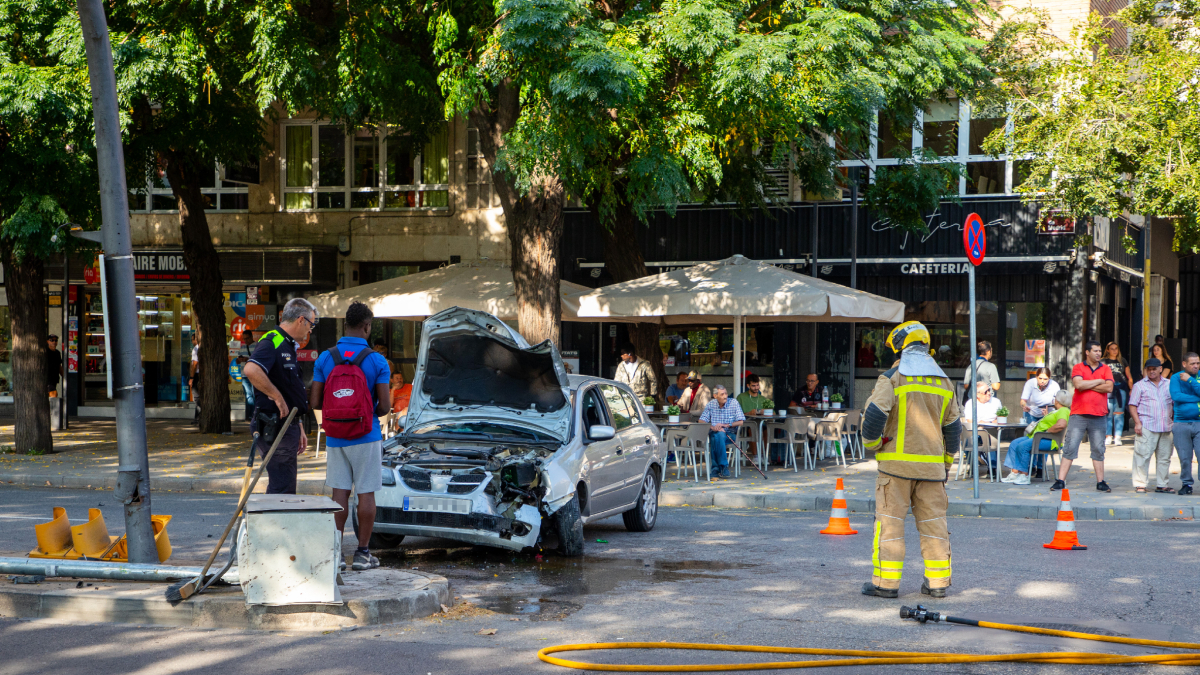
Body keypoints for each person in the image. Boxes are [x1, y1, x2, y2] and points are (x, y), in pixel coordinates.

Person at [860, 321, 961, 600]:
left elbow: (874, 417)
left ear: (902, 346)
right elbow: (953, 428)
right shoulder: (944, 380)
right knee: (934, 526)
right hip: (932, 470)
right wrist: (947, 463)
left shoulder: (892, 377)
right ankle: (938, 583)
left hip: (896, 469)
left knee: (890, 524)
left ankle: (886, 585)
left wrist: (873, 445)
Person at [309, 301, 391, 571]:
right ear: (367, 327)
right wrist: (366, 413)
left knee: (339, 493)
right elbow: (385, 406)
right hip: (366, 434)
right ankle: (363, 554)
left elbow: (316, 402)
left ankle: (335, 556)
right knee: (365, 493)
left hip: (335, 436)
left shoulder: (325, 358)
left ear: (345, 324)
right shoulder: (377, 360)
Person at [243, 298, 318, 495]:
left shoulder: (287, 344)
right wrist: (276, 397)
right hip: (275, 425)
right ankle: (276, 524)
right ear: (301, 320)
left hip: (287, 424)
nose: (311, 330)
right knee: (282, 488)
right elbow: (251, 370)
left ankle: (279, 522)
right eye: (311, 324)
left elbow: (289, 387)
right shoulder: (273, 340)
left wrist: (299, 424)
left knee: (284, 485)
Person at [1051, 341, 1114, 493]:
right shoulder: (1078, 367)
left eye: (1100, 351)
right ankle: (1060, 480)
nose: (1098, 353)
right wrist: (1099, 381)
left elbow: (1109, 387)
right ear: (1087, 352)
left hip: (1099, 415)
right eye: (1095, 351)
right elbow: (1078, 385)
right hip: (1079, 414)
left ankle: (1101, 482)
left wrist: (1089, 384)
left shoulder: (1106, 368)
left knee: (1098, 448)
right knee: (1070, 447)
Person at [1003, 390, 1072, 485]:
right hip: (1038, 437)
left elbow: (1061, 425)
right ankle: (1015, 473)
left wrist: (1047, 431)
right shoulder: (1058, 411)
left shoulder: (1064, 410)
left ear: (1057, 400)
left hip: (1049, 440)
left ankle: (1024, 475)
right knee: (1015, 443)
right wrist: (1046, 416)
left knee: (1023, 446)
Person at [1128, 358, 1175, 494]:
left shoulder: (1169, 384)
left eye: (1154, 369)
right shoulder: (1140, 385)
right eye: (1149, 369)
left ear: (1160, 369)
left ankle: (1162, 484)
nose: (1151, 371)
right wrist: (1137, 423)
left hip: (1166, 426)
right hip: (1147, 425)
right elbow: (1132, 405)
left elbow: (1174, 403)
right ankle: (1140, 484)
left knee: (1164, 458)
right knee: (1142, 455)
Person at [698, 384, 745, 480]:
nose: (725, 396)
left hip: (730, 435)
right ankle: (723, 467)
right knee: (717, 435)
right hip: (715, 433)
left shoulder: (733, 403)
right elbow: (701, 420)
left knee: (716, 437)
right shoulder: (711, 404)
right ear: (715, 396)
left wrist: (726, 425)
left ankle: (715, 469)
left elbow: (741, 422)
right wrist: (713, 427)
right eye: (722, 394)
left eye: (726, 393)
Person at [1170, 352, 1200, 496]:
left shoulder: (1197, 377)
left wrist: (1190, 381)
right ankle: (1186, 484)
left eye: (1198, 363)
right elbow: (1176, 396)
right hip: (1181, 423)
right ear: (1184, 364)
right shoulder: (1176, 377)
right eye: (1192, 363)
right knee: (1185, 457)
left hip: (1199, 422)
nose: (1196, 366)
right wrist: (1197, 397)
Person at [962, 382, 1003, 472]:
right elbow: (970, 421)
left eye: (989, 390)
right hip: (975, 431)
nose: (989, 393)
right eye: (986, 391)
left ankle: (992, 467)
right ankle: (973, 463)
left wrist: (986, 422)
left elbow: (1001, 419)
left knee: (990, 438)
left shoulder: (996, 402)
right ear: (978, 394)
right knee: (967, 440)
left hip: (991, 431)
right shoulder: (970, 403)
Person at [1101, 342, 1130, 446]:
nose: (1114, 350)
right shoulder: (1103, 361)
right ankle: (1108, 436)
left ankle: (1118, 437)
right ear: (1108, 350)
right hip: (1108, 388)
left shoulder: (1122, 361)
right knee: (1107, 412)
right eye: (1112, 348)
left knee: (1119, 413)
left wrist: (1131, 388)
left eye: (1116, 348)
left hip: (1121, 388)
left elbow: (1128, 376)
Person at [235, 329, 256, 417]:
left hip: (255, 375)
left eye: (247, 338)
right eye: (244, 339)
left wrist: (248, 359)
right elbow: (237, 361)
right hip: (244, 375)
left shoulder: (257, 346)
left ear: (252, 337)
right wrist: (239, 360)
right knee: (248, 395)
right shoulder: (242, 347)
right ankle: (249, 415)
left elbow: (259, 359)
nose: (246, 340)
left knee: (255, 395)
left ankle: (254, 415)